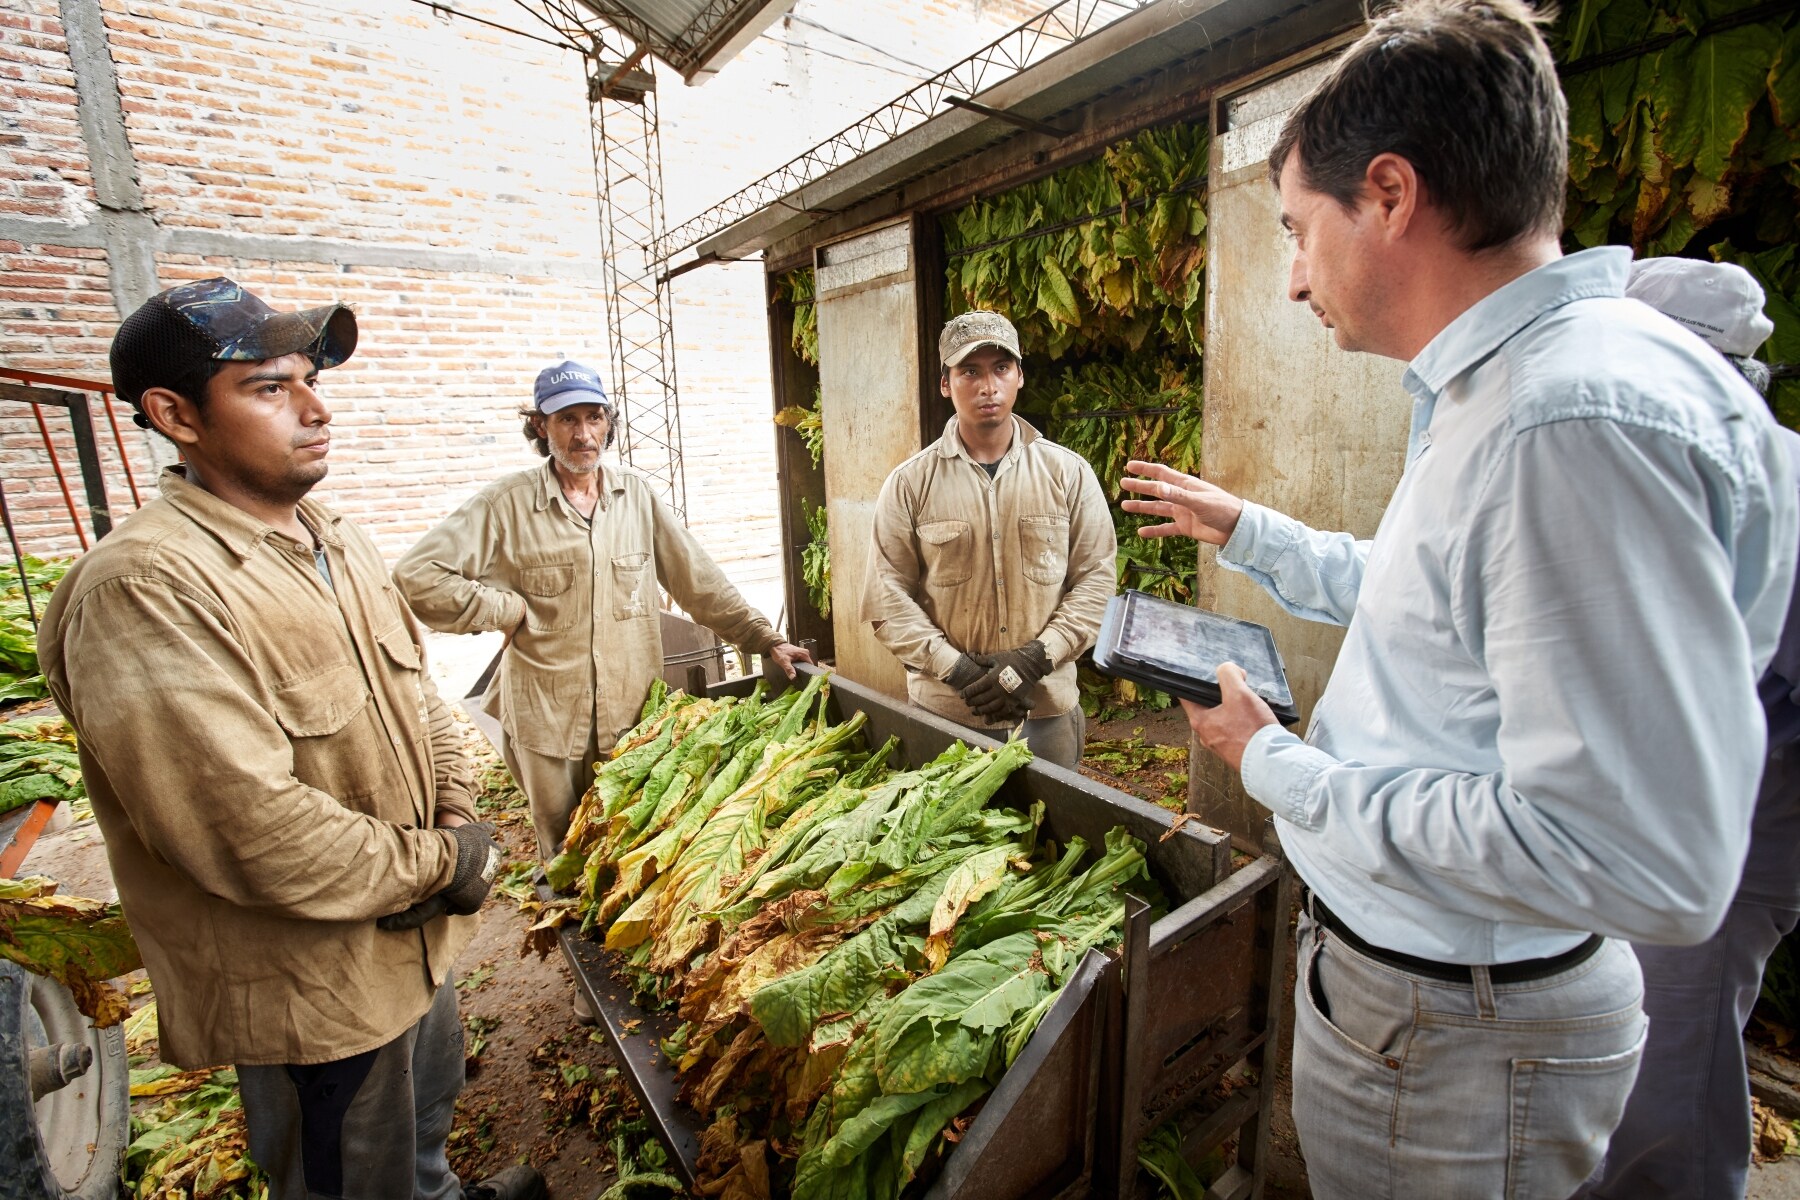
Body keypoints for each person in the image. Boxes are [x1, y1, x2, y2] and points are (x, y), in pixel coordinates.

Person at [1117, 1, 1799, 1194]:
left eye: (1295, 230)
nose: (1290, 280)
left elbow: (1639, 857)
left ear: (1387, 195)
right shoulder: (1514, 390)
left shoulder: (1565, 426)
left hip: (1457, 1042)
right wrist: (1255, 532)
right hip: (1441, 1017)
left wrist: (1281, 768)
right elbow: (1444, 609)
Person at [38, 277, 542, 1200]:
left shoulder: (333, 537)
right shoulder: (147, 589)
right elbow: (249, 830)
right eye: (270, 387)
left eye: (310, 379)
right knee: (349, 1175)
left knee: (422, 1125)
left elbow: (418, 698)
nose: (316, 409)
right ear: (174, 415)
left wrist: (460, 820)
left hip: (412, 947)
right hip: (317, 989)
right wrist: (441, 863)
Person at [1578, 258, 1800, 1199]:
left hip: (1732, 828)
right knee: (1627, 1042)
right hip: (1652, 821)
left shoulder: (1762, 473)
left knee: (1670, 1059)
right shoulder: (1673, 459)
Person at [394, 360, 810, 858]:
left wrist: (763, 638)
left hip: (632, 714)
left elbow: (697, 581)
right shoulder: (506, 504)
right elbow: (416, 575)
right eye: (567, 420)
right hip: (548, 718)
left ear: (608, 424)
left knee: (629, 844)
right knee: (565, 852)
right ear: (539, 426)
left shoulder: (633, 497)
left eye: (594, 418)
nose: (583, 435)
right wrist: (503, 610)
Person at [861, 310, 1116, 767]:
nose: (988, 386)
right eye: (970, 371)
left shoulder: (1068, 474)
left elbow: (1095, 580)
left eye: (1001, 368)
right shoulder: (909, 484)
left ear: (1019, 376)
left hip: (1044, 711)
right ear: (945, 383)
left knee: (1052, 835)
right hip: (946, 715)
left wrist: (1035, 659)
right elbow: (887, 597)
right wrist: (956, 671)